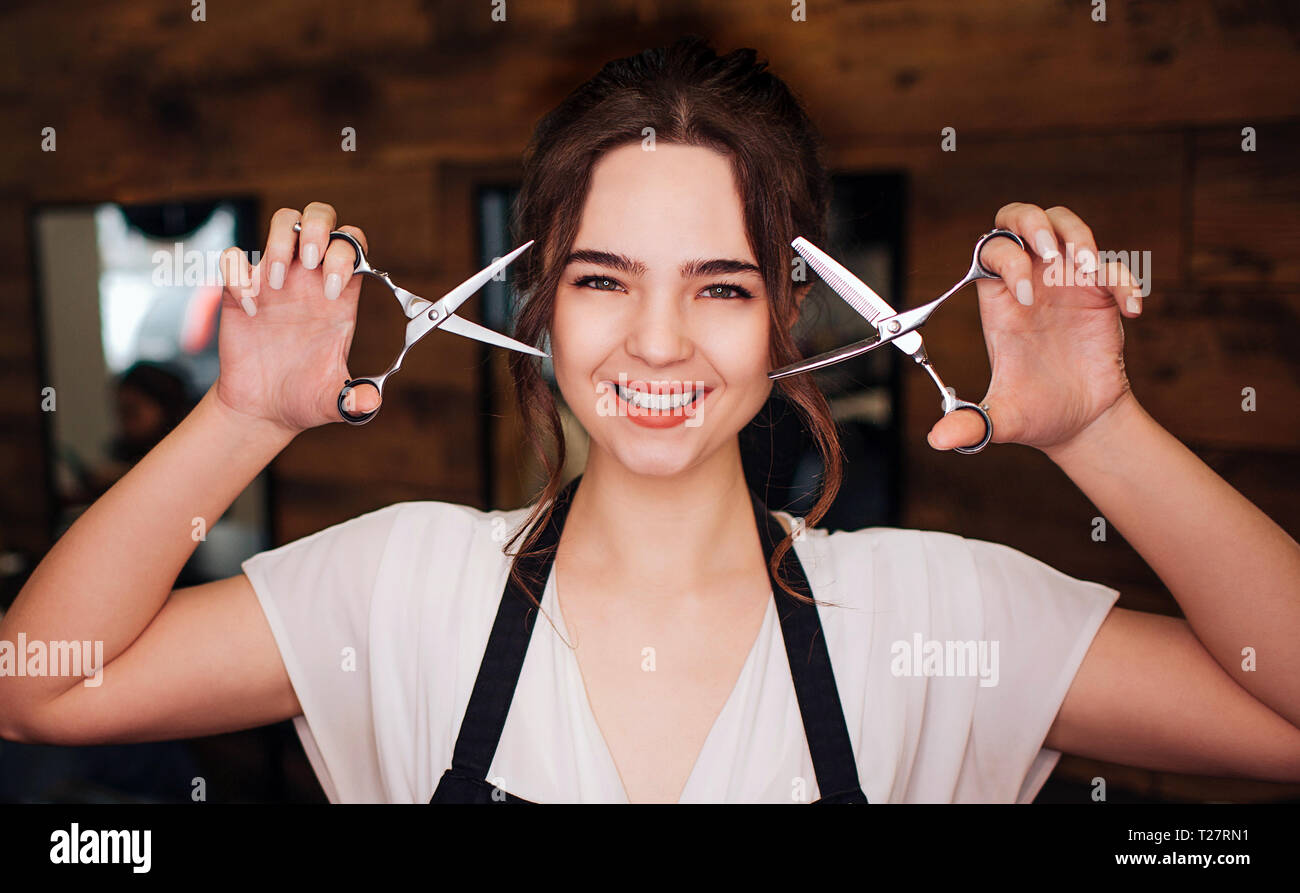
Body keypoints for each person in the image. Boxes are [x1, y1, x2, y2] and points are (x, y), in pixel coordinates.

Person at [2, 37, 1297, 803]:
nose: (660, 339)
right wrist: (238, 416)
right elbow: (40, 687)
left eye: (720, 285)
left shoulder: (936, 617)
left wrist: (1099, 427)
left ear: (787, 313)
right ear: (541, 303)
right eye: (605, 278)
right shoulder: (398, 585)